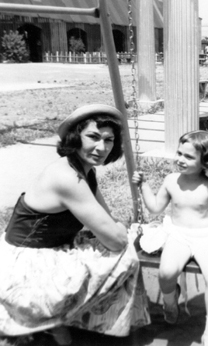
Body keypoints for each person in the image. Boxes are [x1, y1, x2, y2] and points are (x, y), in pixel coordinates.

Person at [0, 104, 150, 345]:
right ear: (75, 137)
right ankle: (63, 323)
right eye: (92, 136)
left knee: (118, 247)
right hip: (25, 264)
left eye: (109, 140)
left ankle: (67, 324)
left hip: (49, 248)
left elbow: (107, 218)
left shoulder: (84, 171)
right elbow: (115, 237)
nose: (101, 147)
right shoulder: (67, 177)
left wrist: (117, 228)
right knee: (125, 256)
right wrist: (120, 231)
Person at [132, 130, 208, 346]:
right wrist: (143, 185)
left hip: (206, 237)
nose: (181, 159)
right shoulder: (171, 180)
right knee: (166, 272)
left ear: (205, 161)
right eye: (179, 153)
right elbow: (154, 208)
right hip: (178, 235)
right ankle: (171, 302)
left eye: (189, 157)